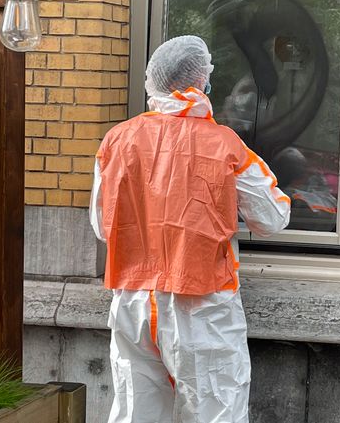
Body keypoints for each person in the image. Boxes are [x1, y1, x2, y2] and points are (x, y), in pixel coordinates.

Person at [89, 35, 290, 423]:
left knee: (136, 410)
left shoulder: (117, 140)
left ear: (154, 81)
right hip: (201, 305)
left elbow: (103, 225)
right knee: (216, 409)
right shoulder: (225, 145)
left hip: (132, 299)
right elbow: (272, 218)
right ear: (201, 82)